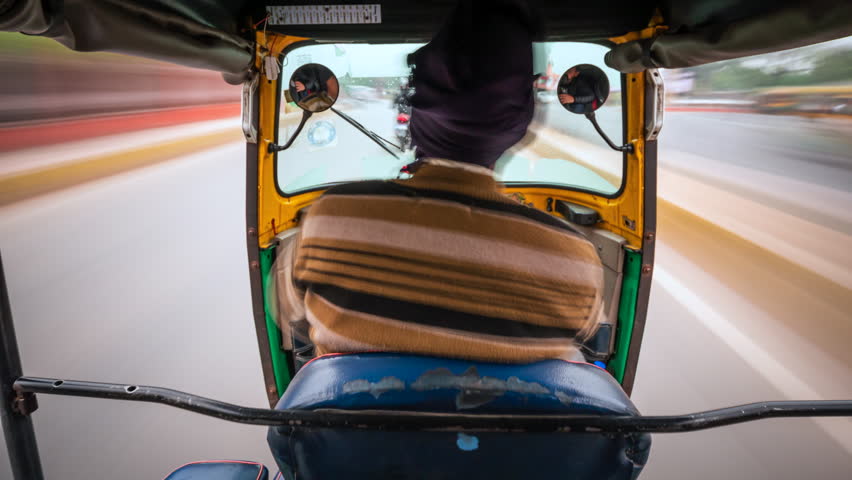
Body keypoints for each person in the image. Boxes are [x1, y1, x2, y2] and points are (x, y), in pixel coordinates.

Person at [273, 0, 605, 364]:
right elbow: (586, 340)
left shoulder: (329, 221)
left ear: (415, 111)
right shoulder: (577, 262)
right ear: (519, 125)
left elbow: (289, 315)